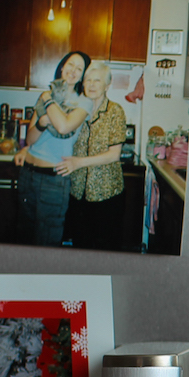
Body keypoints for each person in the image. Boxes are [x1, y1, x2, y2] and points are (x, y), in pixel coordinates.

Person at [13, 51, 93, 246]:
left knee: (46, 241)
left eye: (79, 69)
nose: (73, 71)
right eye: (70, 65)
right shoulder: (44, 97)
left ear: (83, 76)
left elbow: (63, 126)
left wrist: (48, 100)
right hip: (27, 175)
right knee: (23, 238)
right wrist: (41, 122)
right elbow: (30, 140)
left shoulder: (84, 102)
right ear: (62, 66)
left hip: (53, 180)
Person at [59, 59, 128, 250]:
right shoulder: (77, 109)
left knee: (105, 249)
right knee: (81, 246)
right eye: (88, 80)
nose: (91, 85)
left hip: (106, 194)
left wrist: (78, 162)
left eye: (97, 81)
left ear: (107, 85)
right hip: (78, 192)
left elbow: (114, 155)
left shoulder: (115, 111)